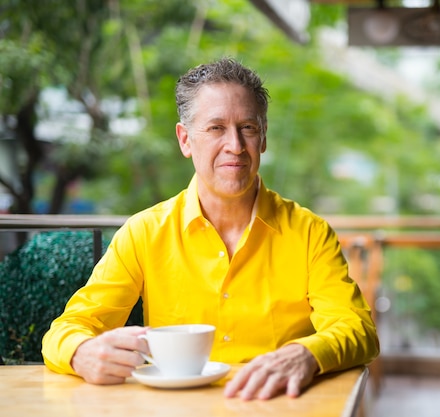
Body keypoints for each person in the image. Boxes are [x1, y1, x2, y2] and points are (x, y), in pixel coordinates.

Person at [42, 57, 379, 400]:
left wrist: (307, 354)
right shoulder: (144, 232)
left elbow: (359, 330)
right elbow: (68, 329)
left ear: (263, 138)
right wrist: (80, 352)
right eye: (216, 128)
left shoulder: (310, 233)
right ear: (185, 140)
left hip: (275, 406)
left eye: (247, 127)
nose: (235, 145)